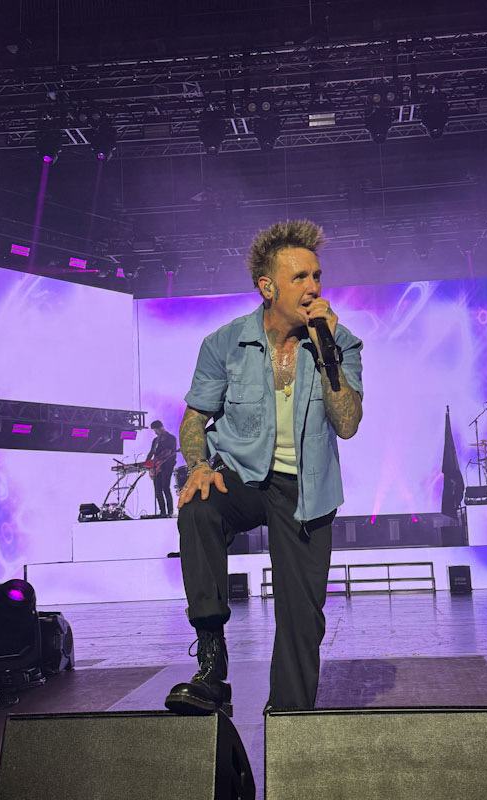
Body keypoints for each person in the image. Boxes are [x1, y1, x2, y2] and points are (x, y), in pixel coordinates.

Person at [165, 219, 363, 717]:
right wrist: (197, 466)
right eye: (300, 277)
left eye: (317, 276)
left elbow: (347, 425)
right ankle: (212, 667)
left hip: (306, 489)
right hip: (243, 475)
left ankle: (289, 717)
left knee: (301, 617)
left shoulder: (341, 342)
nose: (313, 287)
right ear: (268, 287)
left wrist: (328, 354)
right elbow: (194, 419)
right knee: (198, 508)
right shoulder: (224, 343)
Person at [145, 420, 177, 517]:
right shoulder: (155, 440)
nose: (155, 433)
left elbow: (169, 452)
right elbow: (151, 452)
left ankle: (170, 511)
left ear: (161, 428)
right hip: (157, 467)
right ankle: (162, 512)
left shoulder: (171, 438)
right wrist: (147, 463)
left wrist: (159, 460)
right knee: (158, 490)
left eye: (156, 430)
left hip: (167, 466)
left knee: (165, 488)